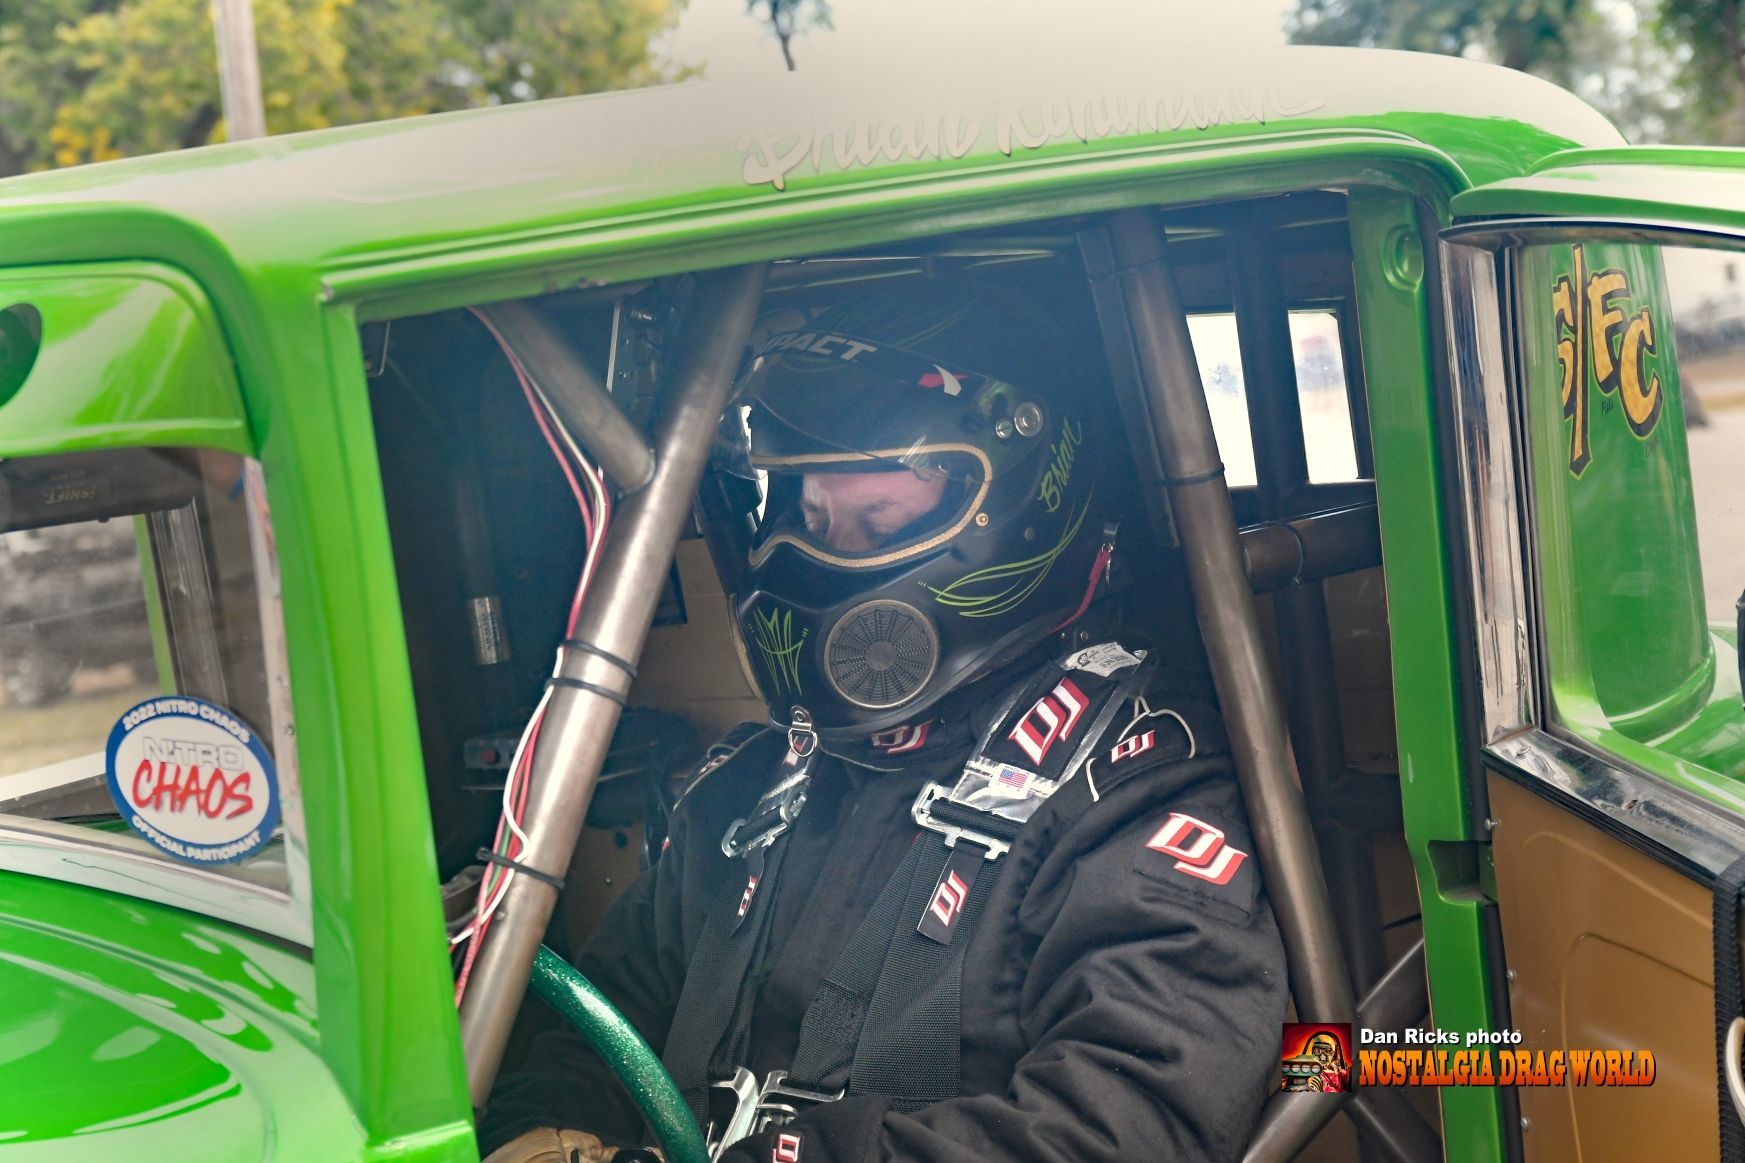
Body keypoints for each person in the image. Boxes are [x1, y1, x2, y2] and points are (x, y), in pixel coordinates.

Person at [481, 281, 1288, 1162]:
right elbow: (592, 1026)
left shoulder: (1132, 789)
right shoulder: (751, 785)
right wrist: (538, 1130)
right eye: (810, 519)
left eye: (876, 522)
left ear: (1011, 517)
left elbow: (1121, 1128)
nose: (822, 561)